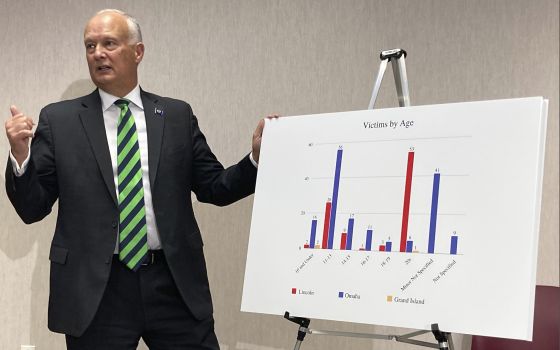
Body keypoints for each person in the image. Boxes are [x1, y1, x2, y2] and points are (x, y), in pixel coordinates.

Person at [5, 9, 269, 350]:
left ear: (138, 52)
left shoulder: (176, 116)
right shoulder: (60, 121)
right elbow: (32, 208)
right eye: (90, 45)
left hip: (172, 282)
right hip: (97, 291)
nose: (98, 53)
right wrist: (20, 155)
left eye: (109, 43)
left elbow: (214, 188)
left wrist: (257, 160)